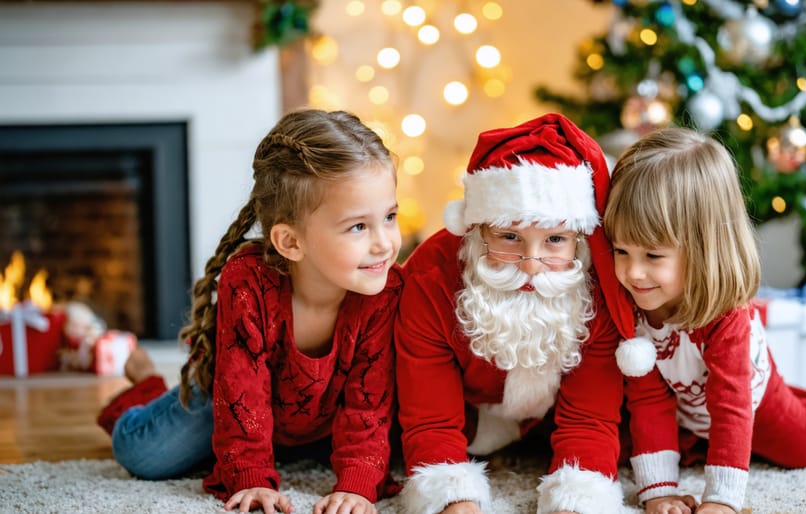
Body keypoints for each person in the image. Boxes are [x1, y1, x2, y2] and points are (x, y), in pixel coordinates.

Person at [96, 109, 403, 514]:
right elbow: (242, 392)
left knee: (392, 449)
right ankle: (147, 387)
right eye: (358, 227)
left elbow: (369, 402)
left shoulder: (384, 289)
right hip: (232, 400)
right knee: (144, 455)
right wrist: (252, 478)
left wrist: (358, 486)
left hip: (327, 411)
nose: (384, 243)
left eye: (390, 217)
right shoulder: (249, 282)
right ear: (290, 242)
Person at [606, 127, 806, 514]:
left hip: (750, 397)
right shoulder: (634, 302)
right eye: (621, 250)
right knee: (628, 446)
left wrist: (721, 501)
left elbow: (732, 407)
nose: (633, 273)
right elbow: (648, 400)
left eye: (653, 256)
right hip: (687, 405)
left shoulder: (728, 317)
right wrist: (658, 491)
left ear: (704, 246)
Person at [394, 113, 638, 514]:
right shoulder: (431, 278)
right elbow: (430, 418)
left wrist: (576, 502)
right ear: (478, 229)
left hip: (552, 418)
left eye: (555, 240)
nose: (530, 264)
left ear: (579, 238)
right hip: (467, 418)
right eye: (509, 237)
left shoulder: (600, 282)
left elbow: (590, 419)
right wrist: (453, 500)